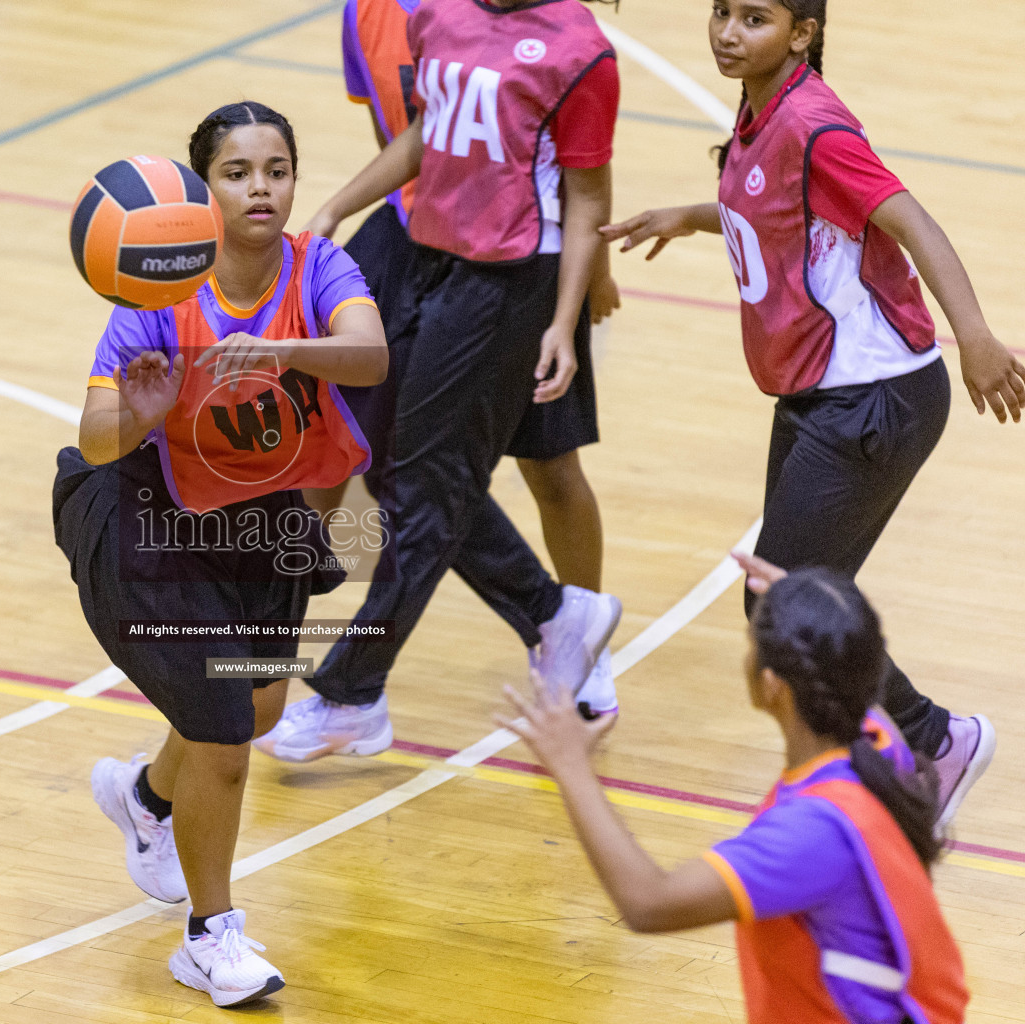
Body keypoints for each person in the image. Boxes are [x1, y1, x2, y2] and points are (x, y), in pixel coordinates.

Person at [599, 0, 1023, 827]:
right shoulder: (762, 108)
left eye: (754, 19)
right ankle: (910, 758)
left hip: (873, 398)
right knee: (798, 595)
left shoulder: (815, 126)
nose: (728, 33)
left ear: (803, 34)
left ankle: (930, 745)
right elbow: (767, 203)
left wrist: (974, 335)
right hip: (819, 393)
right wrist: (688, 217)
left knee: (779, 600)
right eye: (721, 12)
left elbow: (912, 220)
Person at [53, 101, 388, 1006]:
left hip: (263, 514)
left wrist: (281, 347)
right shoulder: (155, 297)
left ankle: (149, 799)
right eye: (238, 173)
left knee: (262, 706)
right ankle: (212, 938)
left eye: (276, 171)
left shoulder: (318, 267)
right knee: (227, 736)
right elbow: (93, 440)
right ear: (202, 191)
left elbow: (369, 355)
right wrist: (146, 413)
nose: (261, 189)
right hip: (152, 520)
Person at [256, 0, 625, 764]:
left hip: (512, 283)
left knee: (429, 490)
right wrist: (336, 205)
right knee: (387, 461)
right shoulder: (445, 18)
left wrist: (563, 323)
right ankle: (553, 616)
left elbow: (586, 196)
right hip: (432, 260)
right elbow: (428, 134)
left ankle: (352, 693)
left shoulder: (580, 49)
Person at [500, 562, 970, 1024]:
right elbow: (846, 658)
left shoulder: (813, 834)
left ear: (772, 687)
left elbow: (648, 902)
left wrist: (571, 765)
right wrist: (806, 603)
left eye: (752, 648)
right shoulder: (878, 741)